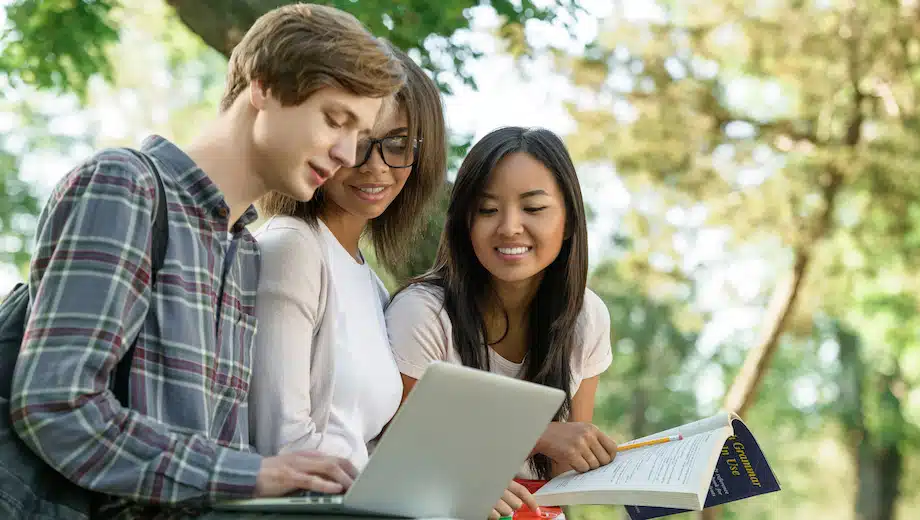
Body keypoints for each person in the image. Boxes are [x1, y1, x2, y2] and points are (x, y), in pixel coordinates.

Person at [8, 4, 404, 518]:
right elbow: (57, 405)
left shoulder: (242, 253)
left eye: (361, 133)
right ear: (262, 86)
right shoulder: (126, 187)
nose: (349, 155)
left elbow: (212, 462)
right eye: (335, 119)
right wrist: (251, 474)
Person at [385, 126, 618, 509]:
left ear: (570, 222)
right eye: (488, 210)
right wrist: (537, 434)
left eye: (534, 208)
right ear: (465, 223)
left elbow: (565, 472)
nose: (509, 226)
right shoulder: (422, 313)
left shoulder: (586, 318)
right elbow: (400, 445)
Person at [248, 45, 445, 468]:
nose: (376, 166)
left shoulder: (371, 285)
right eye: (357, 141)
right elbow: (281, 444)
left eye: (398, 143)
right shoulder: (292, 249)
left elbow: (361, 444)